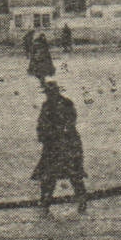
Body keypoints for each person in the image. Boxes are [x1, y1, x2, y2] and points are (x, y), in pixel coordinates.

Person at [31, 81, 89, 216]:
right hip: (52, 145)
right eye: (48, 93)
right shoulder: (46, 105)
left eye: (51, 93)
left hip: (66, 144)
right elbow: (41, 122)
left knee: (74, 174)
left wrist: (56, 134)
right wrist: (43, 134)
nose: (49, 95)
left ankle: (81, 200)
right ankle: (45, 200)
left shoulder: (66, 104)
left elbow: (70, 122)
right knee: (48, 176)